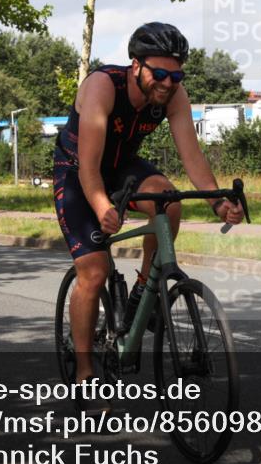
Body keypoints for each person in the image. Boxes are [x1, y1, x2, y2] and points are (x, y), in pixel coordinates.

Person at [53, 22, 244, 412]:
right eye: (159, 73)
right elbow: (89, 168)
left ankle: (145, 288)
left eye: (176, 75)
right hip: (78, 172)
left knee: (168, 199)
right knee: (94, 271)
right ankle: (86, 372)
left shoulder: (173, 95)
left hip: (122, 166)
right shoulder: (102, 87)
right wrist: (104, 206)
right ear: (135, 66)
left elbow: (192, 156)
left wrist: (217, 202)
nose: (167, 82)